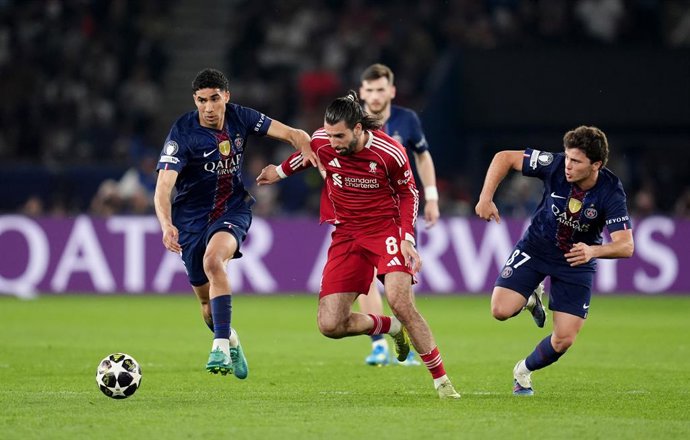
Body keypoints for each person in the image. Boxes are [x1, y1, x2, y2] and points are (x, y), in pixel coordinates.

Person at [256, 91, 460, 399]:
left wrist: (407, 237)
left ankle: (442, 382)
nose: (333, 142)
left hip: (386, 230)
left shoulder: (390, 152)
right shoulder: (324, 141)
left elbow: (409, 194)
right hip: (347, 234)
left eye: (340, 136)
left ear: (359, 130)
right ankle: (390, 328)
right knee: (330, 324)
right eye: (330, 134)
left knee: (400, 300)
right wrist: (278, 172)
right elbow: (308, 154)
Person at [154, 68, 315, 378]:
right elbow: (163, 186)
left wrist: (306, 158)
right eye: (202, 100)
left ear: (226, 96)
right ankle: (230, 338)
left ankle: (219, 348)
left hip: (232, 209)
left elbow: (296, 135)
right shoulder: (183, 131)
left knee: (215, 261)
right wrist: (166, 224)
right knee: (206, 307)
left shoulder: (241, 117)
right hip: (190, 221)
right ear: (195, 100)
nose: (209, 108)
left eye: (215, 99)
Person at [474, 125, 634, 395]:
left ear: (596, 164)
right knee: (500, 310)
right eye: (567, 157)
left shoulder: (611, 192)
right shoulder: (555, 164)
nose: (567, 166)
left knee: (564, 340)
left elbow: (626, 246)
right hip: (536, 248)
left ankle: (523, 371)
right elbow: (504, 157)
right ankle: (530, 298)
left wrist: (593, 251)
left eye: (576, 161)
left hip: (576, 260)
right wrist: (485, 197)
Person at [357, 63, 440, 367]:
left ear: (391, 91)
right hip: (361, 213)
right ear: (361, 92)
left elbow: (423, 155)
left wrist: (431, 197)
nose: (376, 96)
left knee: (400, 281)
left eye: (381, 90)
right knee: (363, 277)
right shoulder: (353, 121)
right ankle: (379, 343)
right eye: (370, 90)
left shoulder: (407, 120)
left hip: (397, 213)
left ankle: (408, 342)